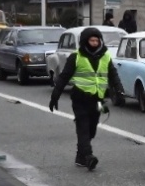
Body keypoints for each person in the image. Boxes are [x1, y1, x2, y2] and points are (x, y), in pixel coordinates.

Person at [48, 26, 120, 170]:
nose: (94, 43)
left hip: (98, 100)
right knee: (83, 129)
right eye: (91, 40)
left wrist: (119, 90)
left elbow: (113, 75)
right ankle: (88, 157)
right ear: (85, 41)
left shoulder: (106, 56)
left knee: (92, 129)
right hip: (80, 99)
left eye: (96, 40)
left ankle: (80, 156)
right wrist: (55, 96)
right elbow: (64, 77)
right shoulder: (76, 57)